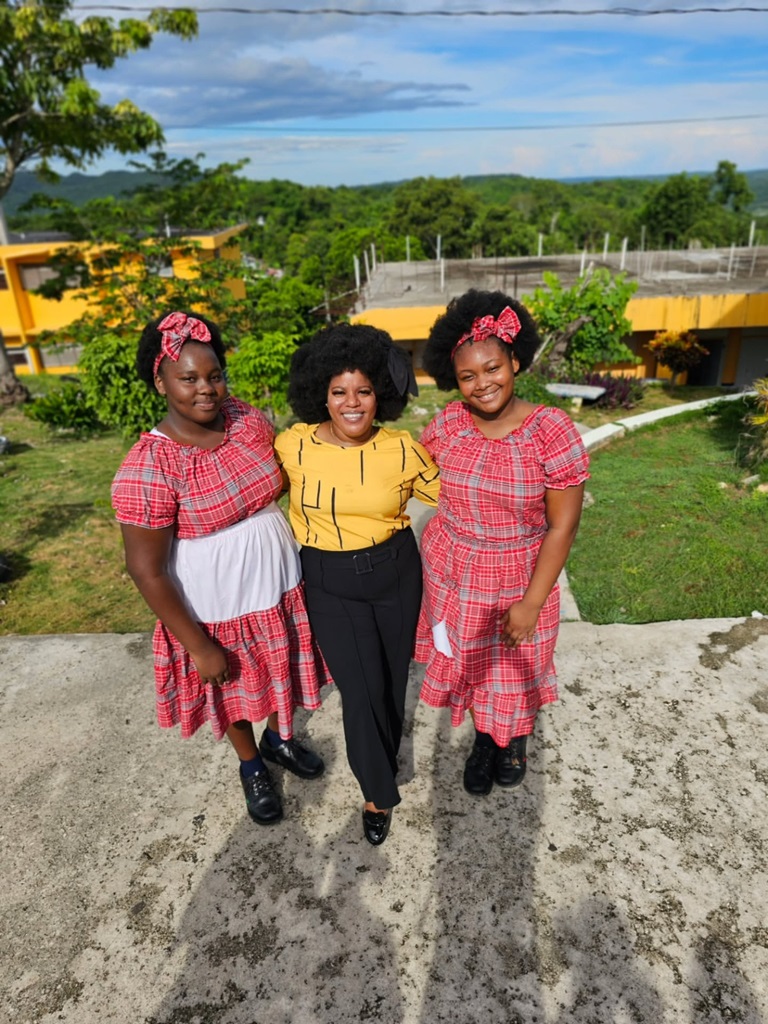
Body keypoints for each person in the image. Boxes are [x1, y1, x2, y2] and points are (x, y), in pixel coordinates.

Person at [111, 311, 326, 827]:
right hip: (216, 606)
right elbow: (147, 571)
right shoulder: (150, 466)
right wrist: (199, 645)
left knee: (282, 669)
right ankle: (251, 765)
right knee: (231, 688)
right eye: (188, 378)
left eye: (214, 375)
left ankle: (280, 738)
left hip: (278, 583)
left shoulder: (246, 422)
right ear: (160, 381)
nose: (205, 389)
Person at [414, 289, 590, 796]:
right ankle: (485, 740)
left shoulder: (550, 431)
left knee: (514, 668)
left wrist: (532, 602)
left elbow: (563, 526)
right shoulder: (448, 422)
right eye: (468, 376)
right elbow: (410, 476)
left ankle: (511, 739)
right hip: (455, 571)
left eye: (492, 368)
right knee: (471, 663)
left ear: (515, 360)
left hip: (520, 575)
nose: (482, 384)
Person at [274, 323, 440, 845]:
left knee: (391, 680)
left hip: (395, 571)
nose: (352, 403)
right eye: (339, 391)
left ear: (380, 396)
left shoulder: (403, 448)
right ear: (320, 392)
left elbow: (447, 498)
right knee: (360, 689)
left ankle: (383, 760)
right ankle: (377, 791)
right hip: (330, 581)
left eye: (364, 391)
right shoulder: (292, 445)